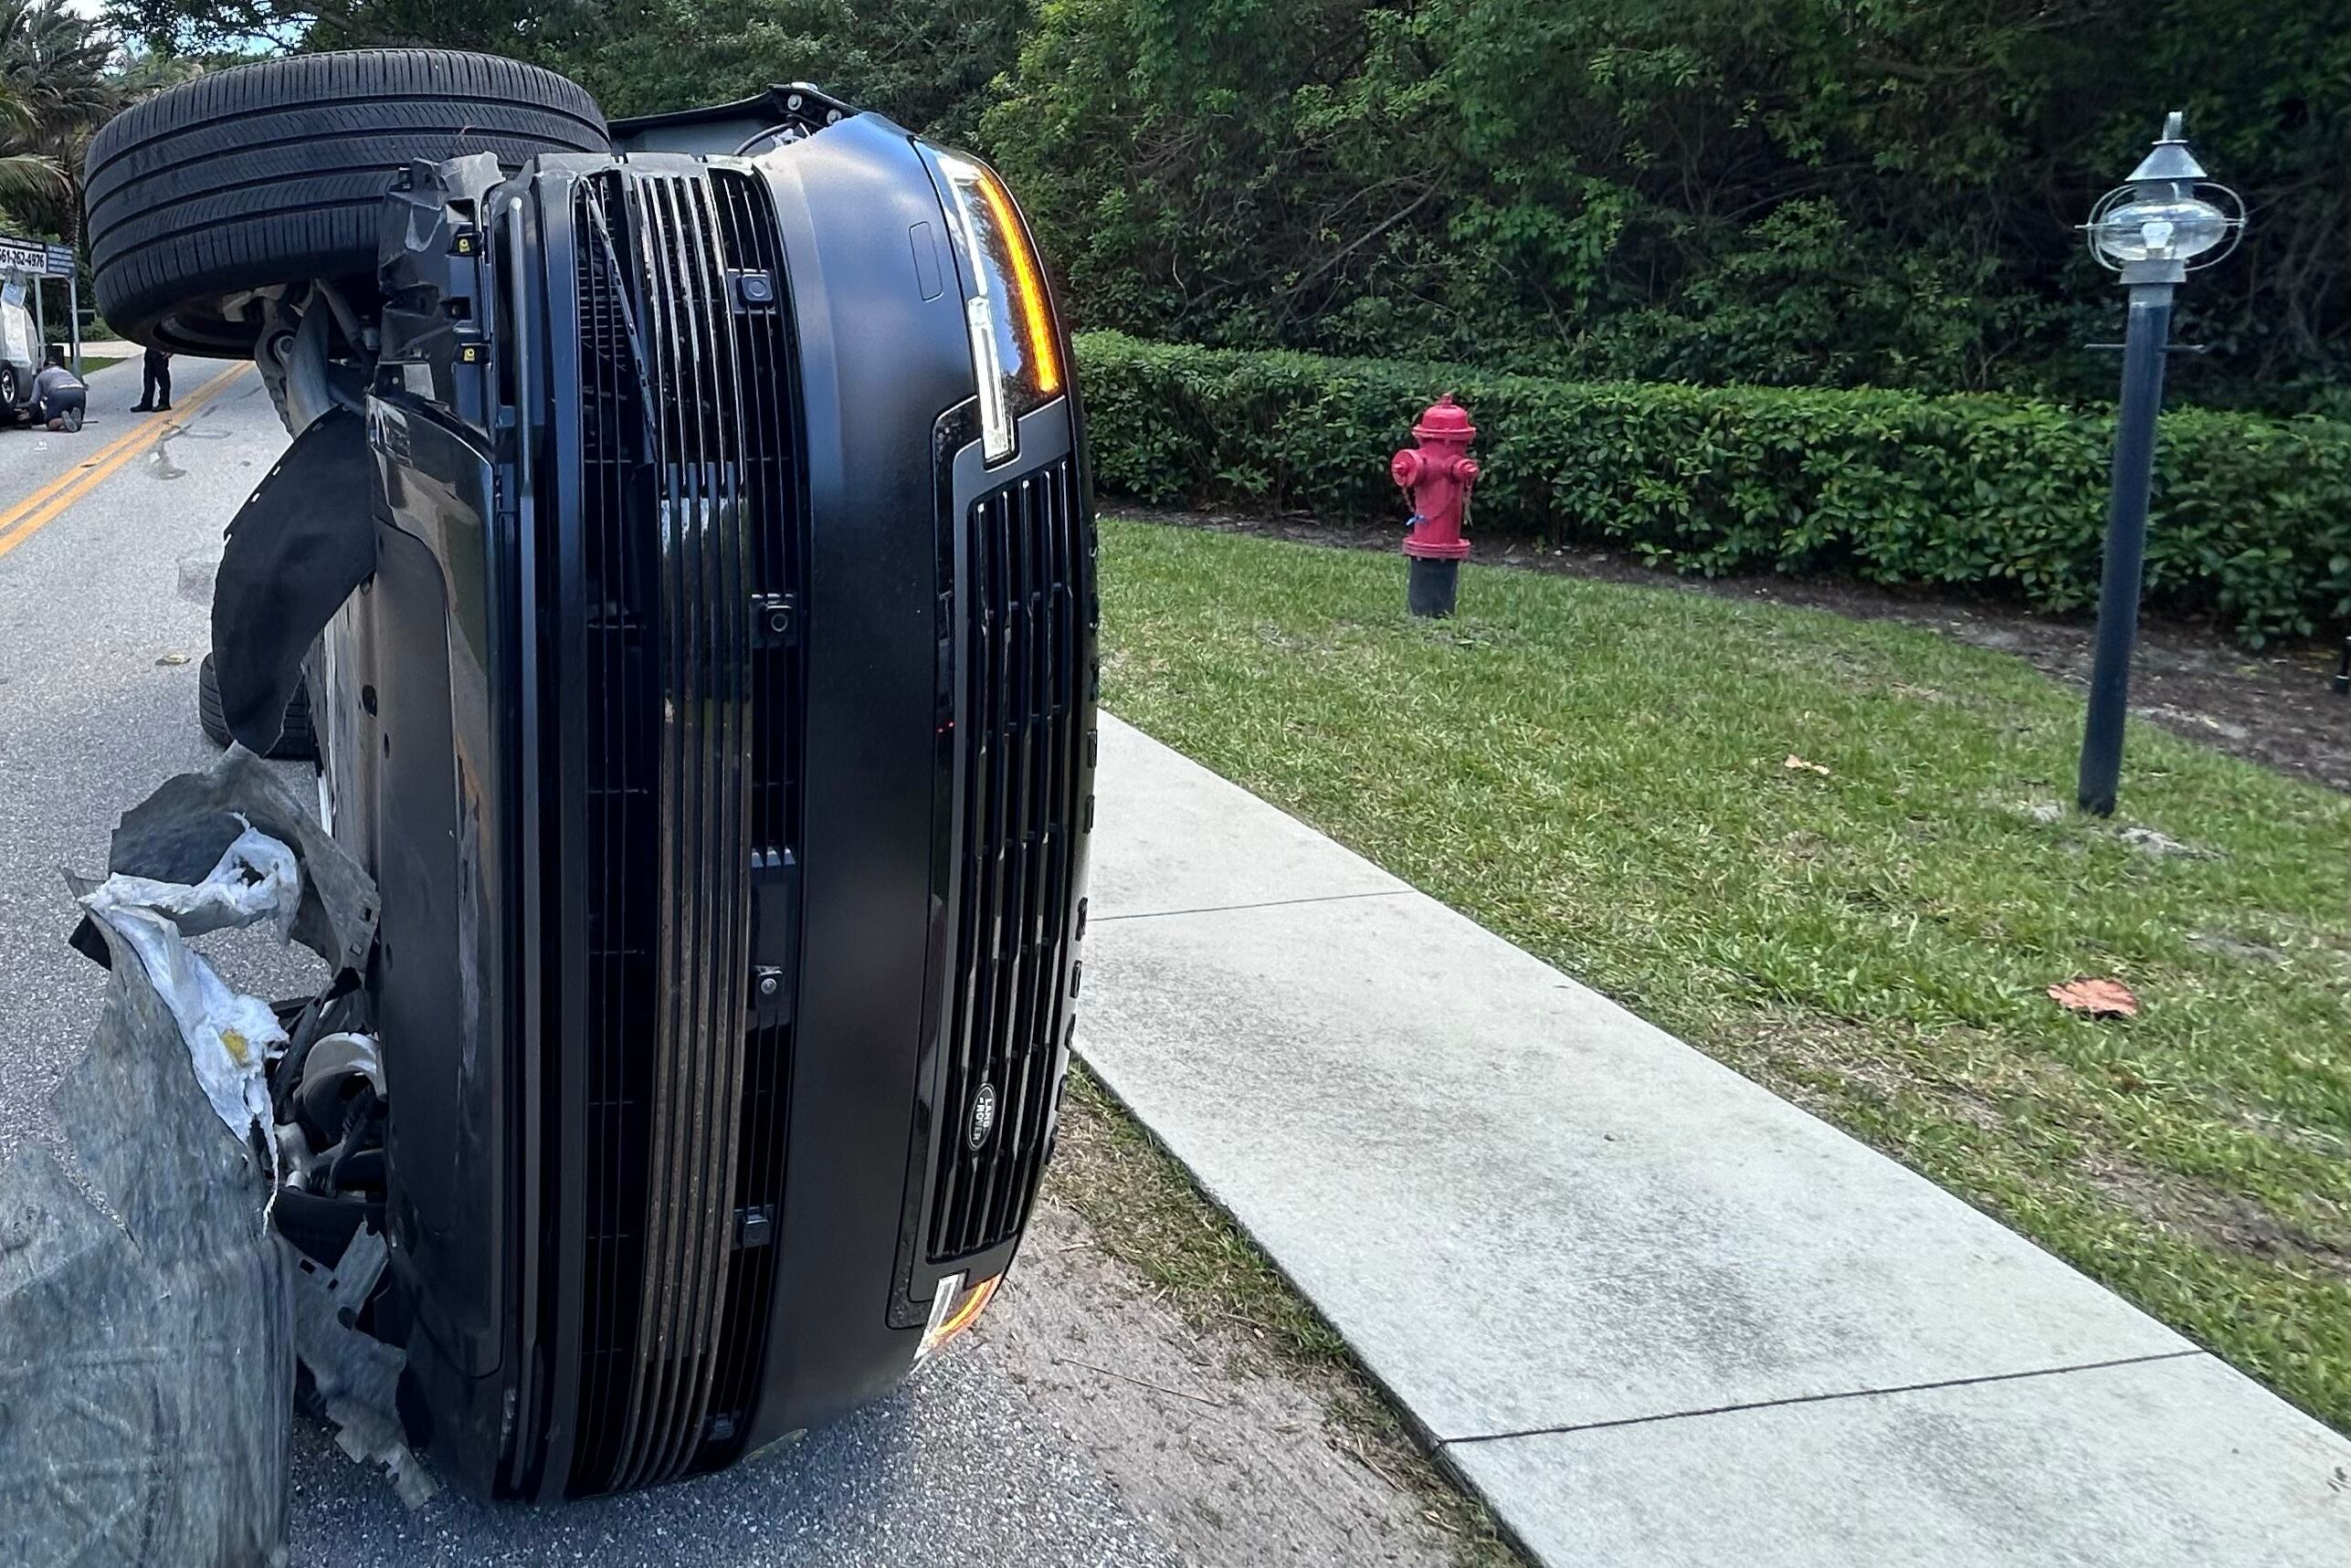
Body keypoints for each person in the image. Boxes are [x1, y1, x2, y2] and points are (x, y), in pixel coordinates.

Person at [31, 350, 87, 433]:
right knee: (75, 417)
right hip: (79, 390)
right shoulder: (66, 372)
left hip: (58, 391)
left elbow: (34, 401)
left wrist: (30, 414)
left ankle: (62, 421)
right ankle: (74, 419)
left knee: (50, 424)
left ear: (44, 367)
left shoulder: (41, 375)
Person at [133, 344, 172, 412]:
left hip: (161, 347)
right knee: (148, 377)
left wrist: (171, 349)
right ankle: (146, 403)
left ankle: (164, 402)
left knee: (162, 376)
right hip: (151, 345)